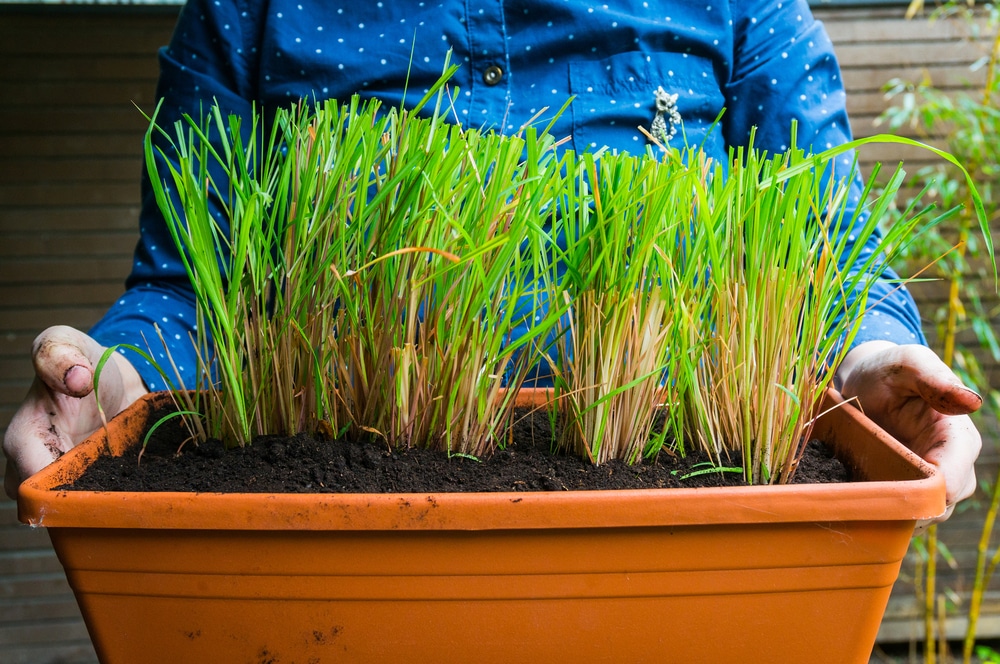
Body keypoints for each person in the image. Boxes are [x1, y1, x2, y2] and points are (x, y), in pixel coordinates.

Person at [3, 0, 984, 523]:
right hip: (342, 546)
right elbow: (183, 286)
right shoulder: (252, 11)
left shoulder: (739, 6)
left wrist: (867, 359)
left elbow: (831, 259)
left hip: (669, 529)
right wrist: (121, 382)